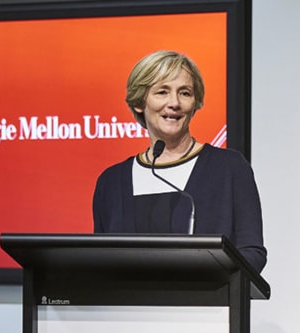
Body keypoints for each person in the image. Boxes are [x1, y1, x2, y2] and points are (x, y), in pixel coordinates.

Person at [92, 50, 267, 273]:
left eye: (185, 93)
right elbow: (100, 263)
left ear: (195, 103)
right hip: (130, 307)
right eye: (162, 92)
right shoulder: (111, 182)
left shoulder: (229, 168)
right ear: (139, 102)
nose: (174, 103)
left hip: (207, 305)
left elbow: (252, 253)